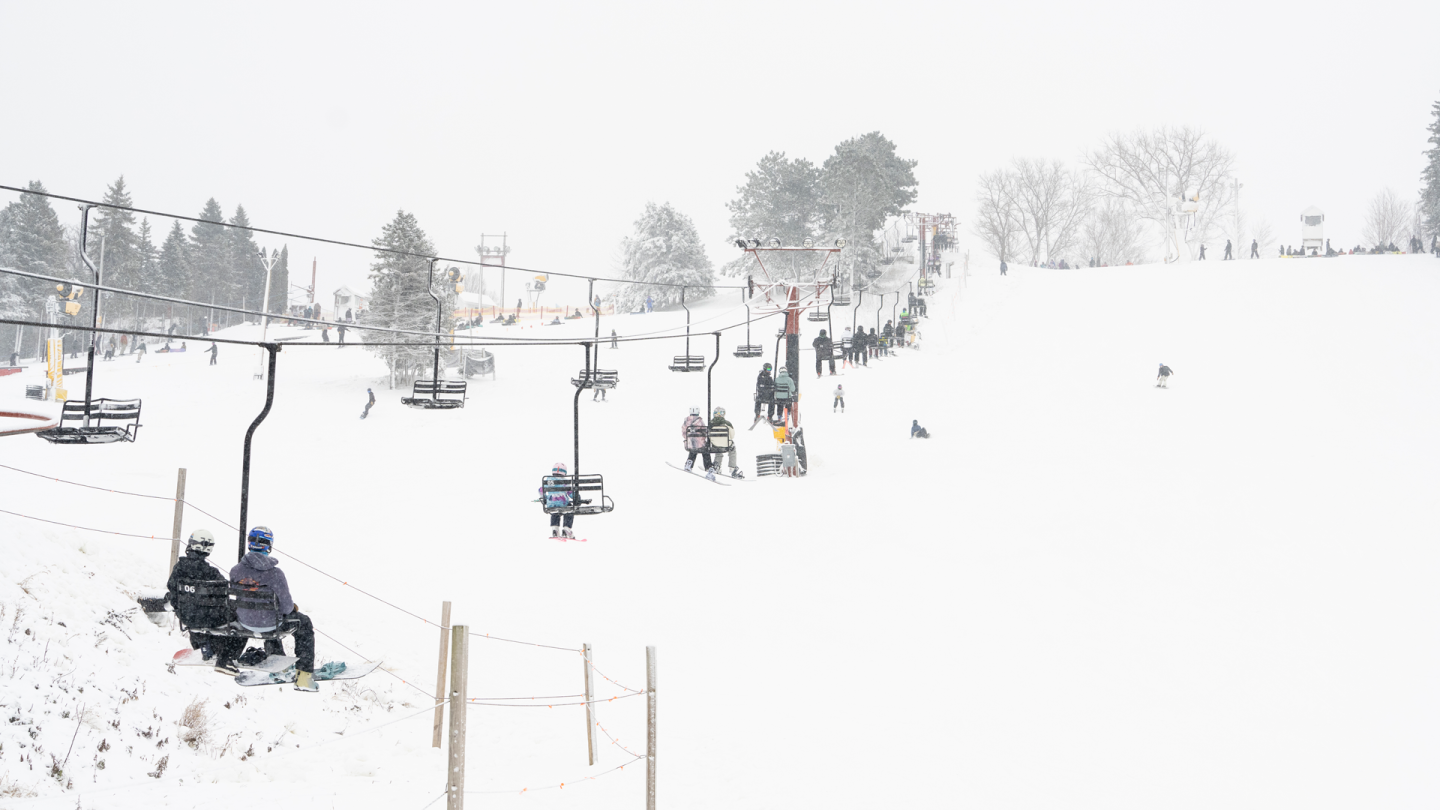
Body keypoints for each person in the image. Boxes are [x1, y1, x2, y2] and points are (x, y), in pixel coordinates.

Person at [230, 526, 319, 692]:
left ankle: (279, 664)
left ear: (250, 543)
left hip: (245, 622)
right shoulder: (276, 574)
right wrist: (291, 610)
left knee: (268, 617)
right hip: (270, 623)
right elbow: (286, 607)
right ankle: (304, 677)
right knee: (303, 623)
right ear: (269, 545)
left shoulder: (235, 571)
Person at [165, 529, 245, 676]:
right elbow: (223, 592)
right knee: (242, 619)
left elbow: (172, 590)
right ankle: (227, 658)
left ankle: (204, 645)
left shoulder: (179, 569)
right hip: (211, 618)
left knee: (199, 619)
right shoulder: (211, 573)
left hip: (188, 617)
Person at [541, 461, 581, 540]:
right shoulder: (564, 481)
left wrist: (545, 497)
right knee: (569, 509)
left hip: (551, 504)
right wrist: (577, 497)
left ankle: (555, 529)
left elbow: (540, 490)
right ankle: (567, 528)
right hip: (563, 504)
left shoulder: (548, 480)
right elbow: (570, 493)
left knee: (555, 511)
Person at [681, 407, 715, 480]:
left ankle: (689, 462)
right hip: (700, 444)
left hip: (689, 444)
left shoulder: (686, 421)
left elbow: (684, 433)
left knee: (693, 449)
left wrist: (688, 438)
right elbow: (705, 433)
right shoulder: (700, 421)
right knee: (705, 450)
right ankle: (708, 467)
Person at [709, 407, 742, 478]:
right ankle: (732, 467)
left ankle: (717, 465)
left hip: (715, 444)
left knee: (718, 451)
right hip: (726, 444)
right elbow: (732, 435)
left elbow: (708, 435)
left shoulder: (711, 423)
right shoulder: (727, 423)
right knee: (732, 449)